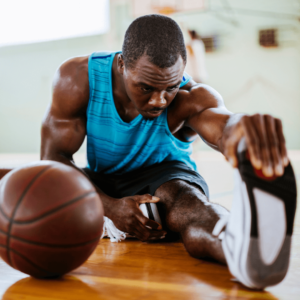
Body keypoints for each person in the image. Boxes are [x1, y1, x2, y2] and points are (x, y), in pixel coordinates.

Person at [0, 15, 296, 289]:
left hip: (165, 179)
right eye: (146, 88)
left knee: (190, 206)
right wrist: (111, 207)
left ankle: (236, 243)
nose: (159, 100)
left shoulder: (189, 97)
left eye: (169, 86)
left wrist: (243, 130)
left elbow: (221, 123)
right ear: (121, 65)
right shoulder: (77, 79)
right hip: (102, 180)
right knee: (34, 191)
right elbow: (54, 157)